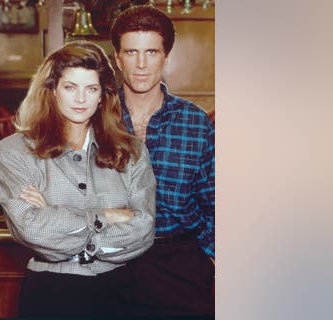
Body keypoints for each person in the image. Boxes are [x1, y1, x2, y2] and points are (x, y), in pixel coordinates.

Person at [0, 40, 156, 317]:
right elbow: (33, 230)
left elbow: (144, 229)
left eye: (91, 89)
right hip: (53, 293)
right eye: (70, 87)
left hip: (123, 293)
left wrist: (56, 217)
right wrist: (107, 215)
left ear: (103, 95)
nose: (81, 99)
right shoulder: (12, 152)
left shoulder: (133, 151)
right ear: (53, 91)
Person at [110, 5, 216, 316]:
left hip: (180, 266)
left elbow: (217, 201)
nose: (141, 64)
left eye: (151, 52)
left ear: (166, 57)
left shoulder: (195, 122)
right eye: (131, 52)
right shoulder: (95, 118)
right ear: (117, 58)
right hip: (112, 264)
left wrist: (208, 257)